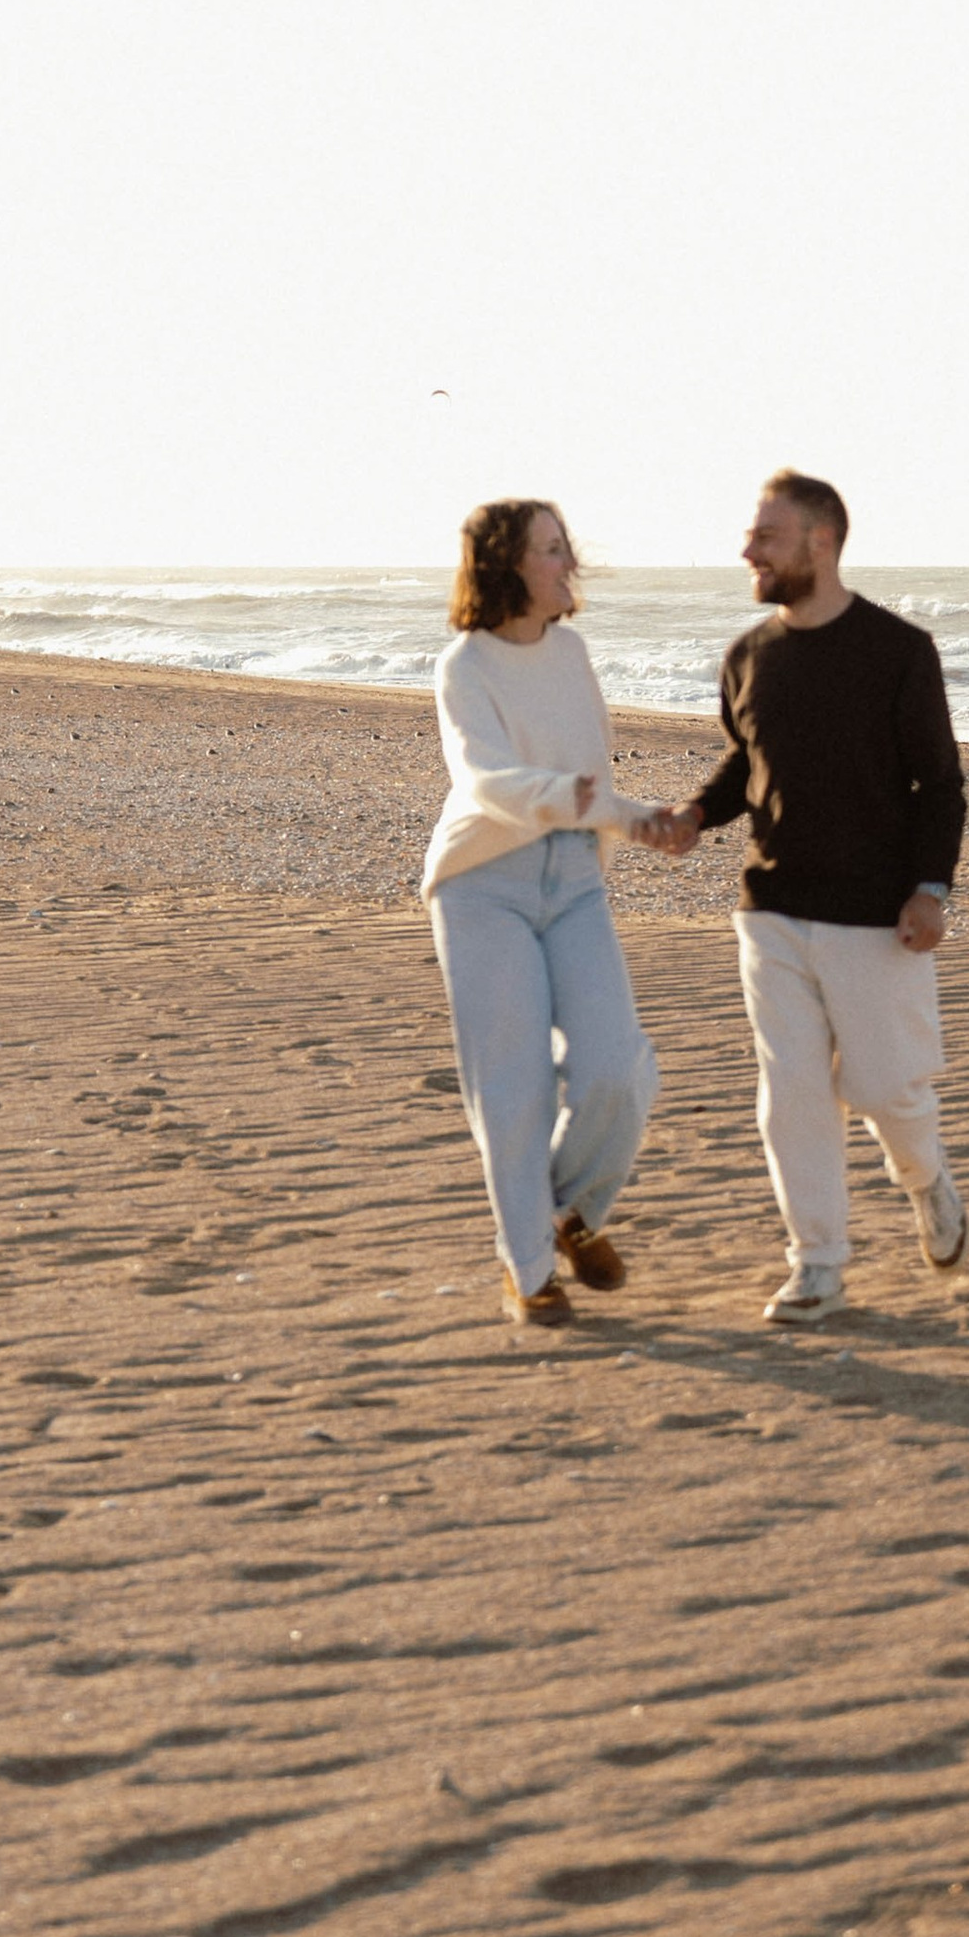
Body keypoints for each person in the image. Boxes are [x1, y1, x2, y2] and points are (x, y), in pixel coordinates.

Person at [643, 469, 968, 1326]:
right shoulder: (748, 655)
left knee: (885, 1089)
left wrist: (930, 889)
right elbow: (746, 762)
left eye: (767, 536)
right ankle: (817, 1261)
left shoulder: (899, 650)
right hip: (772, 908)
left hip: (876, 913)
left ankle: (927, 1179)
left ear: (821, 542)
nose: (747, 550)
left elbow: (940, 785)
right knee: (791, 1092)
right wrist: (696, 813)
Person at [424, 498, 662, 1326]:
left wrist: (638, 821)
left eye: (566, 546)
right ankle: (527, 1268)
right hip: (482, 881)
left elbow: (592, 777)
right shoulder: (465, 665)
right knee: (513, 1084)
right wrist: (569, 797)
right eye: (553, 549)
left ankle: (567, 1211)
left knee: (617, 1068)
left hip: (574, 878)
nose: (570, 562)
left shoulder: (571, 653)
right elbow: (483, 778)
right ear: (508, 565)